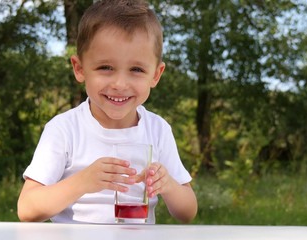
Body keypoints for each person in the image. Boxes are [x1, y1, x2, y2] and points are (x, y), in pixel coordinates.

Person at [17, 0, 198, 224]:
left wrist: (168, 185)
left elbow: (187, 212)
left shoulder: (157, 129)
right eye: (106, 67)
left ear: (156, 75)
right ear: (79, 69)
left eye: (136, 69)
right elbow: (27, 208)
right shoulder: (64, 129)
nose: (120, 84)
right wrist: (82, 181)